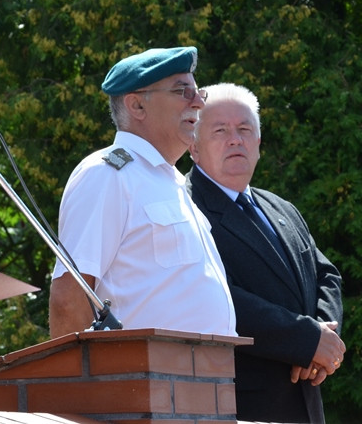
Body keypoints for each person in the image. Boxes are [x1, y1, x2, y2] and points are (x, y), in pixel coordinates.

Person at [48, 46, 235, 337]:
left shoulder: (170, 180)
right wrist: (79, 382)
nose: (198, 102)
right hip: (143, 378)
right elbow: (69, 298)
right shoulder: (106, 174)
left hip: (203, 376)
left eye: (198, 92)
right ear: (137, 106)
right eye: (182, 91)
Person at [187, 83, 344, 423]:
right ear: (193, 146)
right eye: (220, 130)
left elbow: (326, 274)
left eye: (245, 129)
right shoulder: (184, 209)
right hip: (244, 406)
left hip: (305, 402)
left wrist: (323, 336)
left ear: (258, 143)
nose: (235, 139)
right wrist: (305, 339)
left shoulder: (280, 208)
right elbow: (213, 295)